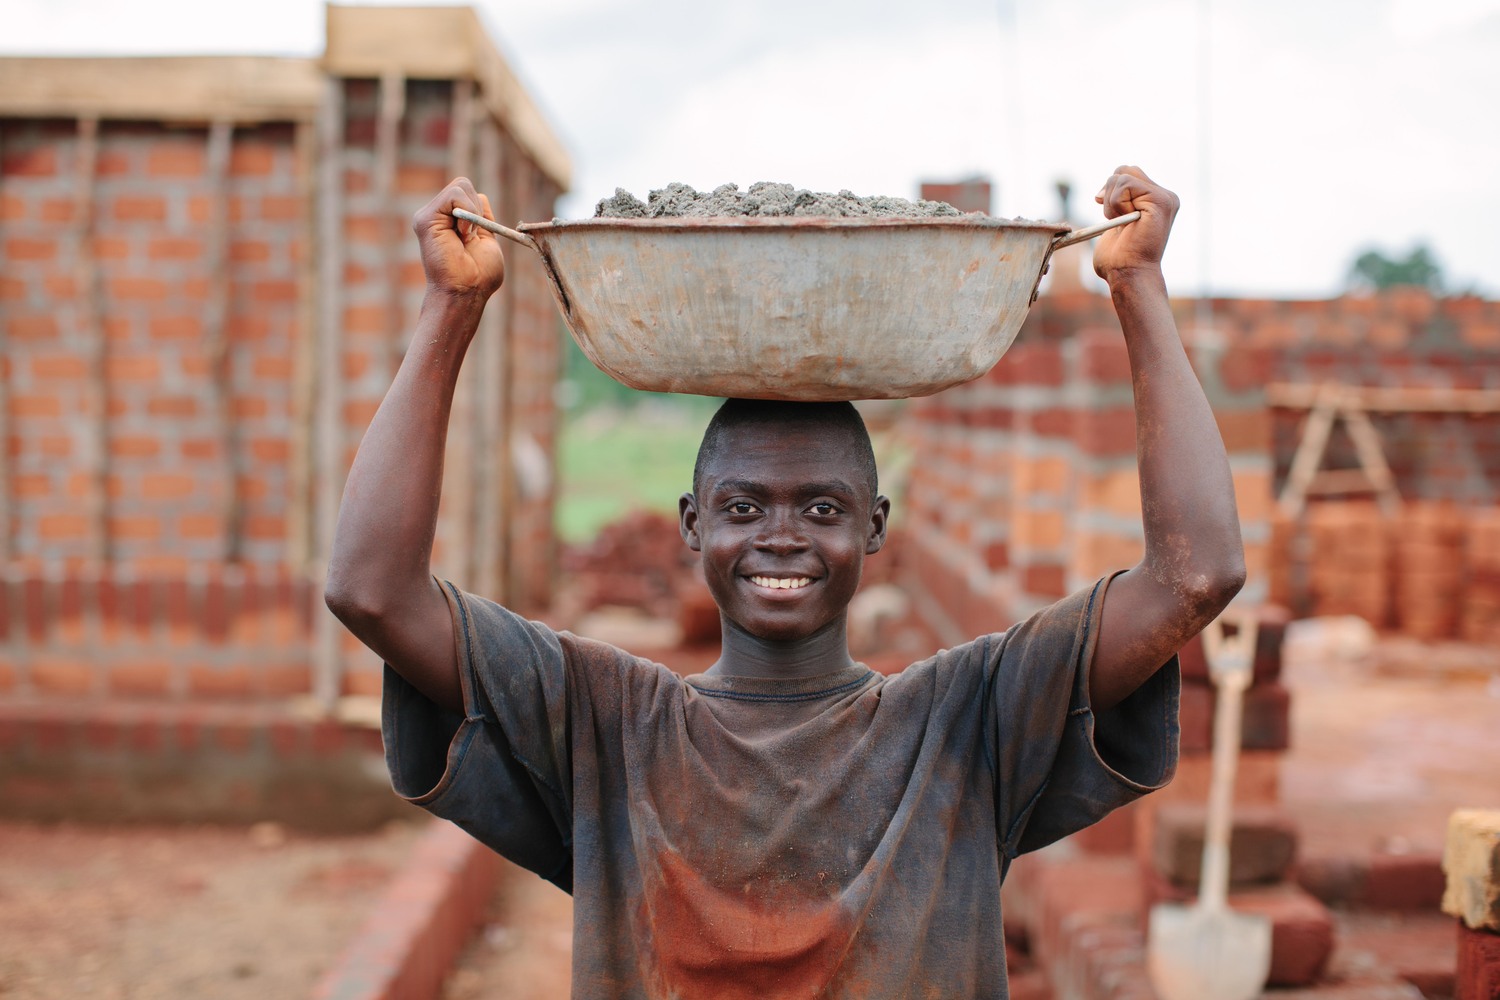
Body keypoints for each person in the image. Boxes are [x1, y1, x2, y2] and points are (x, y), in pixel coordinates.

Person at [325, 166, 1245, 999]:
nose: (779, 538)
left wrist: (1137, 286)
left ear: (873, 528)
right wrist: (452, 309)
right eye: (741, 508)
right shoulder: (604, 726)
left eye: (821, 510)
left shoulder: (965, 724)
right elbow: (371, 588)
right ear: (693, 523)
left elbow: (1196, 576)